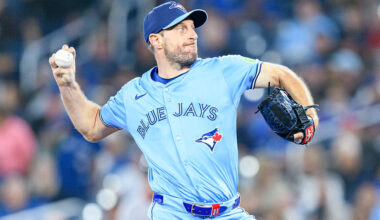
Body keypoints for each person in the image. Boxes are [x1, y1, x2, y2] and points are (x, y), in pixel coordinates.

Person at [49, 1, 319, 219]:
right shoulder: (133, 94)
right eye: (180, 29)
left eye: (192, 28)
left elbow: (281, 74)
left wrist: (310, 114)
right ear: (156, 40)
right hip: (172, 212)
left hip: (227, 212)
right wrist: (67, 84)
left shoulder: (223, 70)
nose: (192, 34)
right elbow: (91, 127)